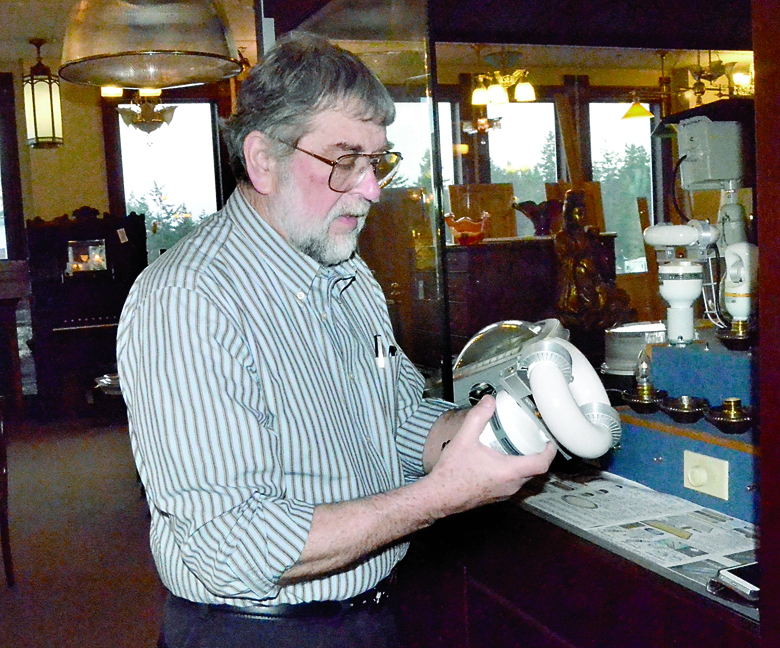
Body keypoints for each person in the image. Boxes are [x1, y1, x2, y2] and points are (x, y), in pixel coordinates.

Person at [117, 32, 557, 648]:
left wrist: (486, 429)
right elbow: (232, 547)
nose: (372, 188)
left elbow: (398, 418)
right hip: (255, 633)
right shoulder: (189, 299)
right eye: (343, 160)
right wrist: (439, 496)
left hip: (369, 613)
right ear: (262, 159)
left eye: (377, 161)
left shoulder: (345, 271)